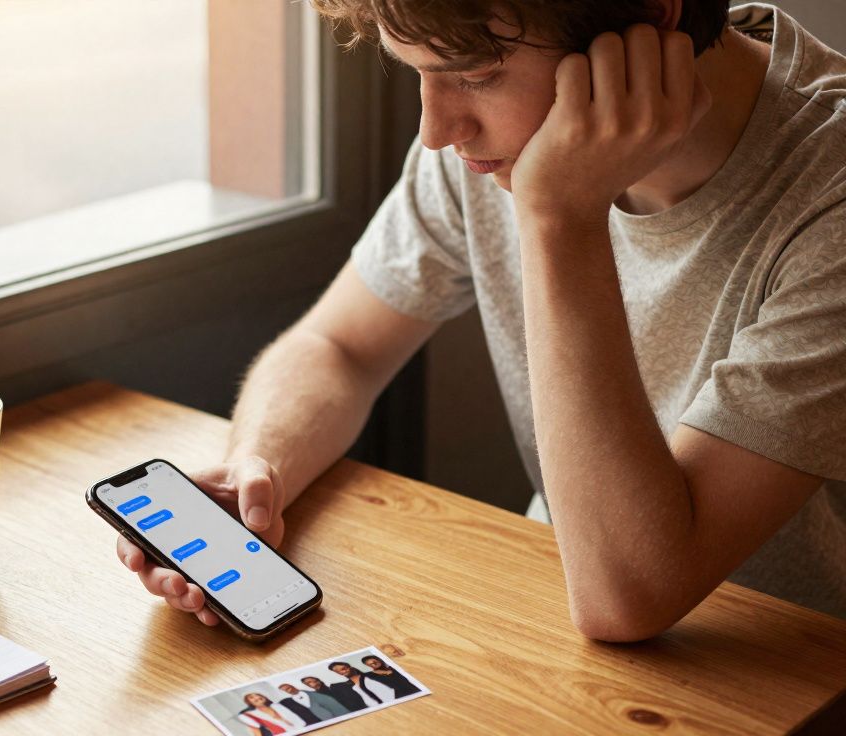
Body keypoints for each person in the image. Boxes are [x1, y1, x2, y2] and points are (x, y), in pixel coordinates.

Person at [116, 0, 846, 641]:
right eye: (418, 73)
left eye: (474, 75)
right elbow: (338, 346)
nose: (437, 130)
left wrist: (559, 215)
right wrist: (260, 466)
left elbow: (630, 595)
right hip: (550, 625)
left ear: (651, 17)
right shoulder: (493, 141)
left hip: (787, 684)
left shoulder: (828, 197)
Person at [329, 661, 395, 707]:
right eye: (338, 671)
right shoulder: (347, 686)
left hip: (395, 700)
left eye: (344, 668)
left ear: (349, 667)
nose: (343, 671)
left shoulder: (372, 674)